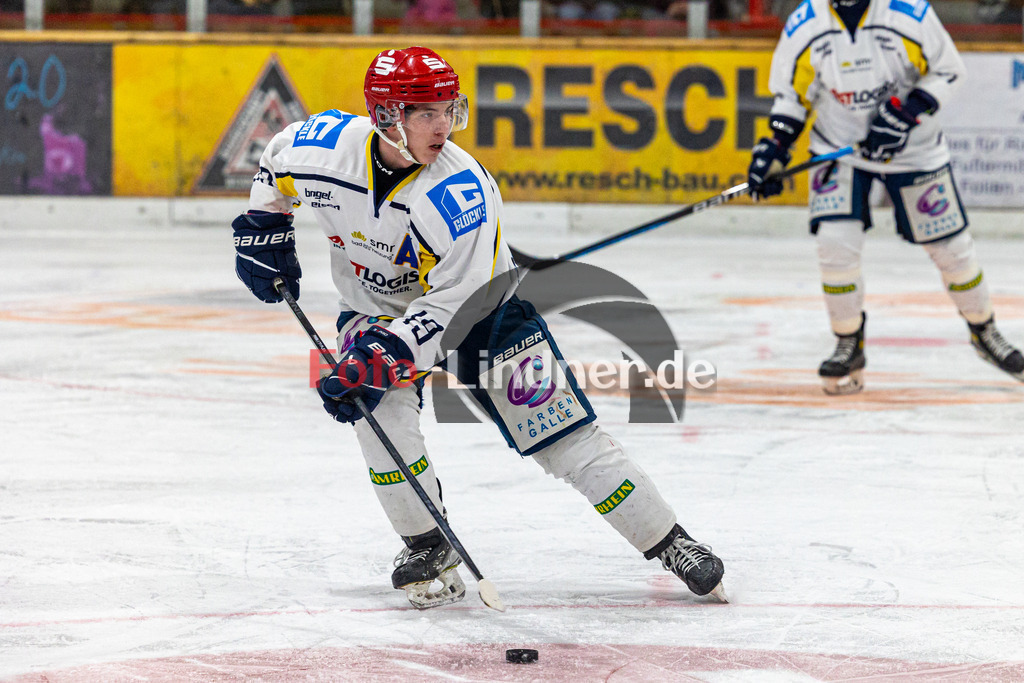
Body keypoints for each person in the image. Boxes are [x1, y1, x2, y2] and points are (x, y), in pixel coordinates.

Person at [232, 46, 725, 609]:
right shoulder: (321, 148)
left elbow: (456, 305)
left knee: (564, 438)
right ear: (385, 116)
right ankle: (425, 543)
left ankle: (669, 541)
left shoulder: (459, 191)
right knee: (379, 422)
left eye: (450, 109)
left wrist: (383, 353)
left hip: (483, 314)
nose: (443, 125)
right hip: (374, 311)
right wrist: (263, 224)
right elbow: (275, 162)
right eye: (426, 113)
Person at [747, 0, 1024, 394]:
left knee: (951, 248)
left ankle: (984, 330)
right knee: (835, 246)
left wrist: (905, 113)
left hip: (915, 151)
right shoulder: (805, 24)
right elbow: (792, 96)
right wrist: (772, 148)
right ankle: (848, 340)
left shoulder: (908, 13)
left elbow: (949, 71)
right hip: (838, 149)